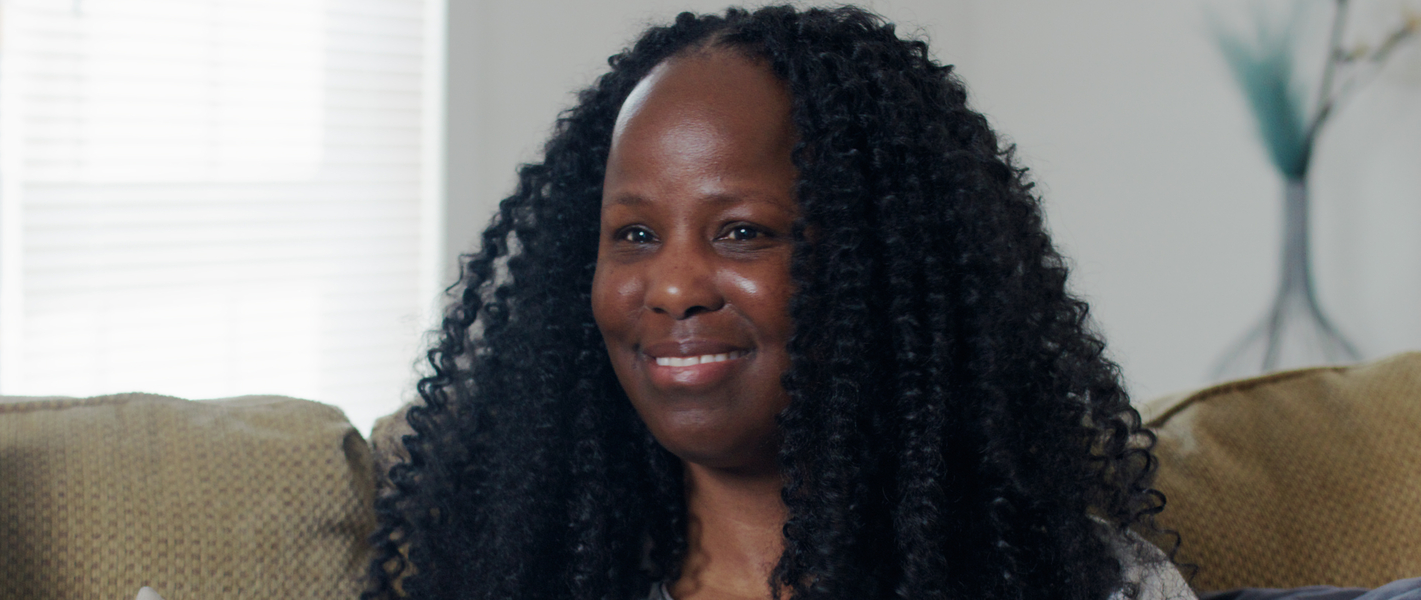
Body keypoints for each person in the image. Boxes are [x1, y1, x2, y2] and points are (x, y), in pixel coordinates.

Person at [365, 6, 1191, 600]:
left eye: (741, 232)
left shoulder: (1094, 585)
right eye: (636, 235)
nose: (675, 288)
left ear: (875, 268)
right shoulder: (514, 575)